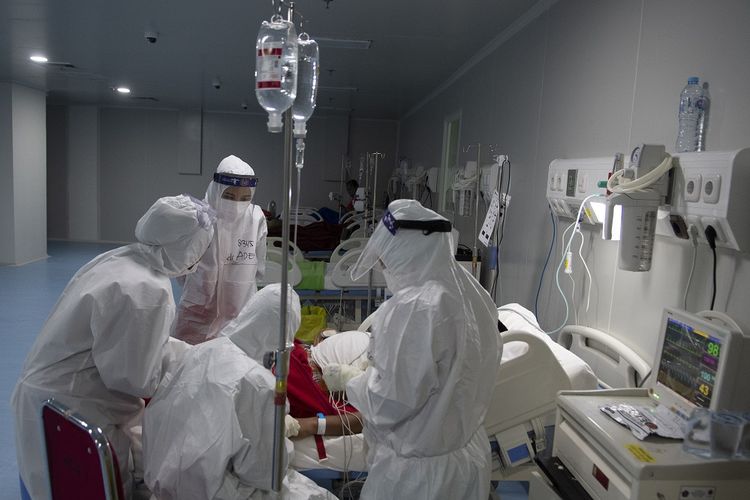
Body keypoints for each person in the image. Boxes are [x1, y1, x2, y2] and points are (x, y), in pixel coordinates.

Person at [11, 195, 216, 500]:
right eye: (200, 250)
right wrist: (184, 369)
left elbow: (117, 337)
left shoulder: (122, 259)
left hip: (47, 395)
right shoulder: (148, 290)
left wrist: (181, 352)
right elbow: (134, 379)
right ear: (189, 248)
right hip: (78, 405)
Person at [322, 199, 502, 499]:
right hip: (466, 461)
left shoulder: (416, 306)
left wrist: (352, 380)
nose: (383, 267)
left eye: (386, 259)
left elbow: (388, 404)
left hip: (418, 481)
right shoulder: (473, 292)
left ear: (407, 252)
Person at [143, 284, 334, 500]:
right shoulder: (257, 382)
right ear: (284, 336)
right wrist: (279, 435)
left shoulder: (198, 352)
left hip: (163, 489)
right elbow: (265, 474)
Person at [174, 154, 267, 344]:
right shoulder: (199, 217)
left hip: (239, 306)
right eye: (229, 196)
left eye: (245, 198)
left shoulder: (255, 219)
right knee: (189, 359)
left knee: (230, 361)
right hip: (198, 307)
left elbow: (259, 266)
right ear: (217, 189)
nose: (236, 204)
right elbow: (181, 268)